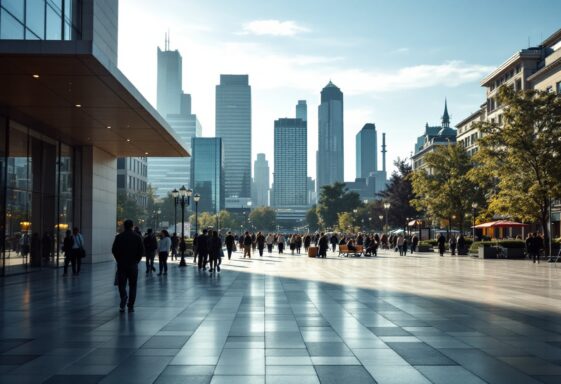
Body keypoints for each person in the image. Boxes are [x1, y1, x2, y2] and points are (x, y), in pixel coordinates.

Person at [112, 219, 144, 312]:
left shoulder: (119, 237)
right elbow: (141, 251)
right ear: (132, 226)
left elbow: (114, 250)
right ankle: (131, 305)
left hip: (122, 264)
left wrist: (119, 259)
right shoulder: (137, 237)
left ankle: (124, 296)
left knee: (121, 284)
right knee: (133, 285)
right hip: (133, 264)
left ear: (124, 226)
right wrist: (136, 261)